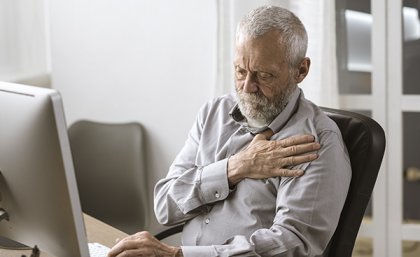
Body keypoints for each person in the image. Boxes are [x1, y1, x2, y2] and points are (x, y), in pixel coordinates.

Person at [107, 5, 351, 257]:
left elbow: (292, 244)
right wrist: (234, 168)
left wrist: (178, 255)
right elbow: (165, 206)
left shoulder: (318, 141)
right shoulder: (214, 113)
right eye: (240, 71)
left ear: (301, 70)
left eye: (264, 75)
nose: (247, 87)